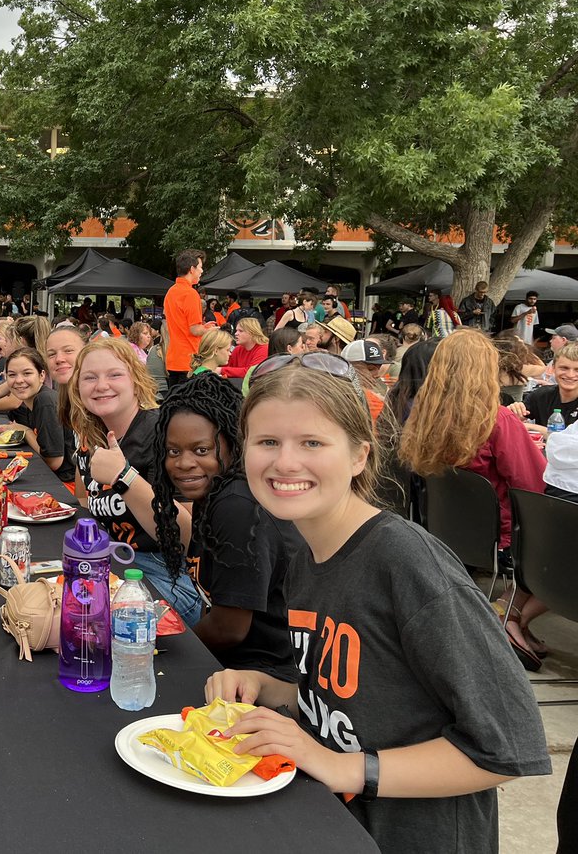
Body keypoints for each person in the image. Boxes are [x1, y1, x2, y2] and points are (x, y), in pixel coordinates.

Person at [205, 356, 550, 853]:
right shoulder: (306, 553)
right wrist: (270, 687)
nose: (284, 462)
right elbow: (357, 697)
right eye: (267, 442)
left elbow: (507, 747)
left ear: (360, 455)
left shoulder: (408, 563)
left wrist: (339, 766)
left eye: (312, 443)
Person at [400, 331, 548, 669]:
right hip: (504, 536)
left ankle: (513, 619)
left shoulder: (423, 416)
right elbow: (532, 484)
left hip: (450, 531)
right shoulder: (497, 419)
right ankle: (507, 615)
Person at [151, 374, 298, 676]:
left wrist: (168, 654)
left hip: (264, 677)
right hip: (233, 663)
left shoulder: (238, 507)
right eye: (173, 451)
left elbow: (230, 628)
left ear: (232, 445)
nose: (183, 463)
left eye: (201, 450)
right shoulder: (215, 495)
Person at [70, 338, 202, 626]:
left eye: (114, 374)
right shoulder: (96, 436)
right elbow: (86, 500)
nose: (101, 385)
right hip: (114, 565)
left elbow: (186, 535)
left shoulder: (163, 433)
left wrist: (124, 477)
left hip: (167, 576)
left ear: (136, 380)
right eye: (89, 377)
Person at [0, 347, 76, 487]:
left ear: (41, 375)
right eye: (12, 375)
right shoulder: (32, 401)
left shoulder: (45, 401)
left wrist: (26, 431)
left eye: (27, 373)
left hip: (66, 485)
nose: (19, 380)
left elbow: (54, 462)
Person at [163, 249, 216, 385]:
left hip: (173, 359)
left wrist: (202, 327)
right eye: (200, 267)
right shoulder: (191, 294)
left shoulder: (171, 292)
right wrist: (209, 331)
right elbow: (194, 330)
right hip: (188, 361)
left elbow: (181, 325)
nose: (201, 271)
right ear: (192, 269)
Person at [511, 339, 578, 429]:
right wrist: (515, 410)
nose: (570, 375)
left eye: (577, 370)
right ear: (553, 369)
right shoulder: (542, 395)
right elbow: (513, 419)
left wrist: (531, 427)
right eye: (564, 368)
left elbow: (568, 439)